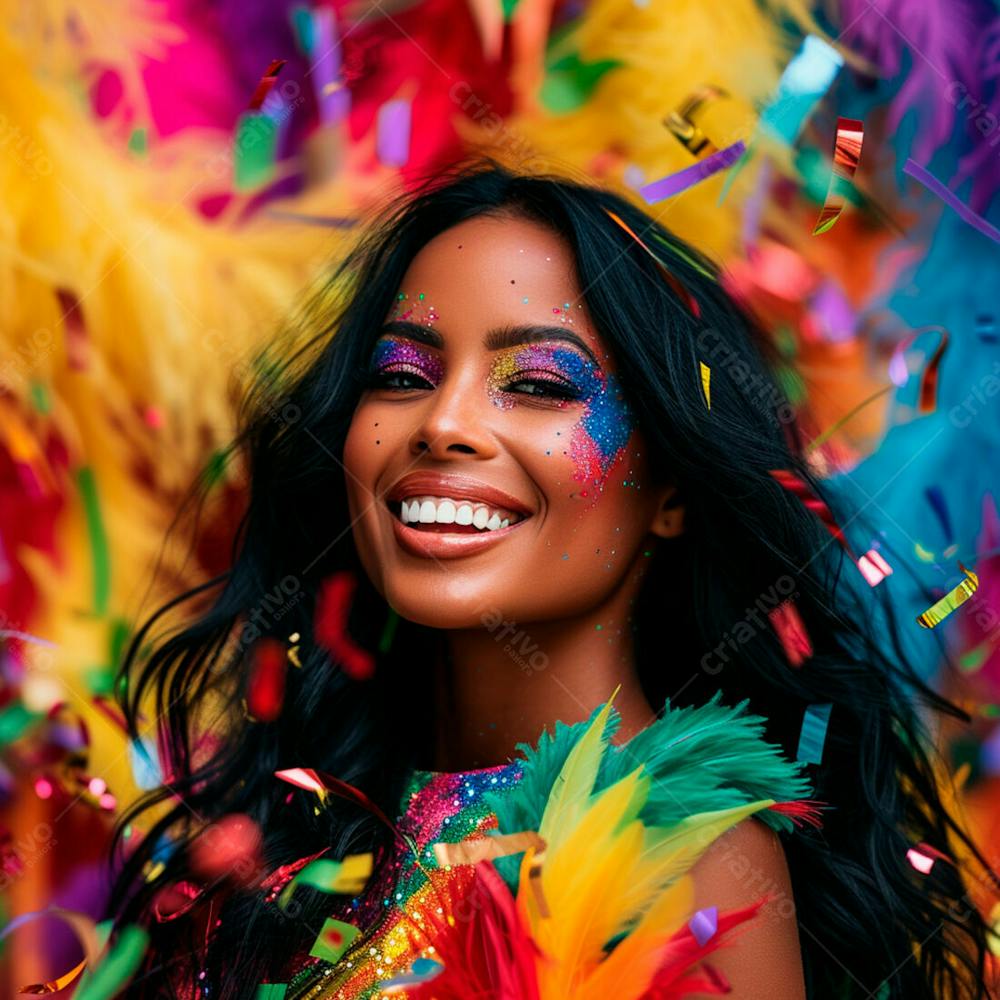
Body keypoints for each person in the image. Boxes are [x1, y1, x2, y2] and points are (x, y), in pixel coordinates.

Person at [108, 161, 998, 999]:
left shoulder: (683, 857)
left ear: (673, 491)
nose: (444, 422)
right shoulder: (307, 836)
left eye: (536, 383)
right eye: (401, 374)